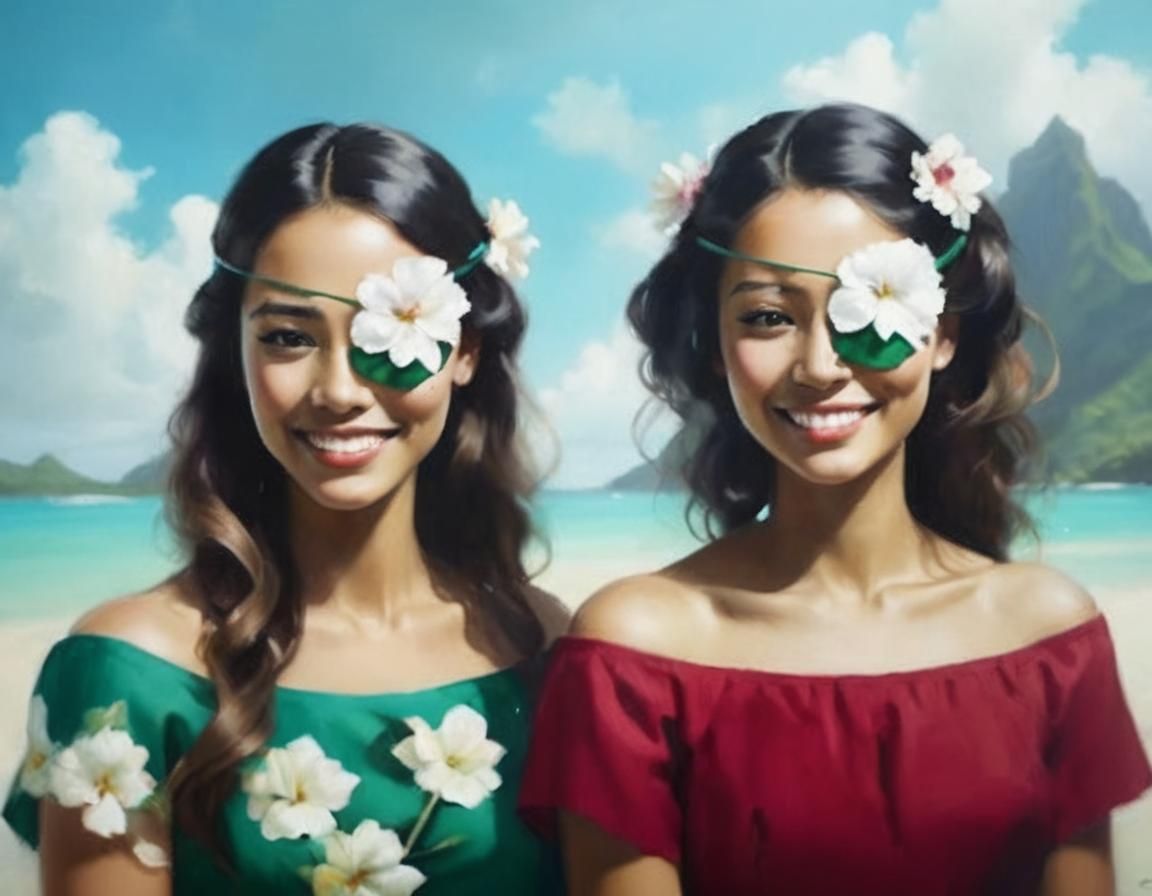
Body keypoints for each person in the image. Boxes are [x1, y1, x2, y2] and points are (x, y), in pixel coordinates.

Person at [519, 103, 1151, 895]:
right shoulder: (635, 651)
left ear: (945, 331)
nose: (820, 364)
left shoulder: (1047, 634)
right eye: (768, 317)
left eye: (871, 306)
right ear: (713, 342)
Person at [4, 122, 567, 895]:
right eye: (288, 335)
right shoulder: (126, 673)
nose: (338, 390)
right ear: (235, 352)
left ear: (466, 349)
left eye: (393, 331)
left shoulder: (551, 648)